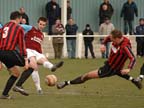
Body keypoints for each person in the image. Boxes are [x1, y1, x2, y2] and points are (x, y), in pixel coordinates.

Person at [57, 29, 142, 90]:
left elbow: (133, 58)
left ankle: (66, 83)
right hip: (112, 65)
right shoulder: (118, 38)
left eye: (113, 40)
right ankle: (134, 80)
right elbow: (108, 38)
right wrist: (103, 44)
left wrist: (129, 68)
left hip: (109, 69)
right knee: (118, 72)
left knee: (86, 76)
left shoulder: (125, 47)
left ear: (117, 38)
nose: (111, 41)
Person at [21, 17, 64, 94]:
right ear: (38, 23)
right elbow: (19, 26)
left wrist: (41, 54)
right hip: (28, 50)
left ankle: (52, 67)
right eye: (40, 24)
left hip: (37, 52)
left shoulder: (42, 35)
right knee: (35, 67)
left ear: (45, 26)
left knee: (44, 61)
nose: (41, 26)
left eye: (43, 25)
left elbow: (38, 45)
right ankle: (39, 89)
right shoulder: (30, 28)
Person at [0, 11, 34, 99]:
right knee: (31, 66)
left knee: (15, 73)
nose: (21, 21)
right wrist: (26, 59)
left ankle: (4, 94)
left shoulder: (4, 26)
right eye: (20, 19)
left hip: (1, 53)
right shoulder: (18, 28)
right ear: (18, 18)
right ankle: (18, 85)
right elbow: (22, 44)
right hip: (9, 52)